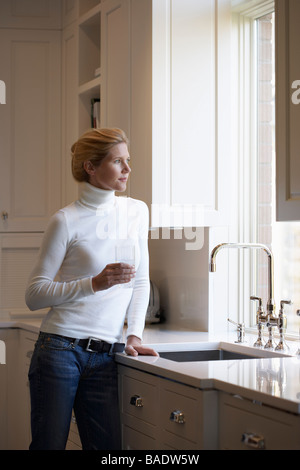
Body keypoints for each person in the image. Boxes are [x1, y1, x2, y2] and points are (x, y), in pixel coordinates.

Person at [25, 127, 158, 450]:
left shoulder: (136, 211)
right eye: (118, 162)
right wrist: (94, 284)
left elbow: (140, 280)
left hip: (106, 356)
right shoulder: (66, 220)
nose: (128, 169)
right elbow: (34, 295)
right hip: (59, 351)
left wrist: (134, 335)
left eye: (128, 160)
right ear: (90, 166)